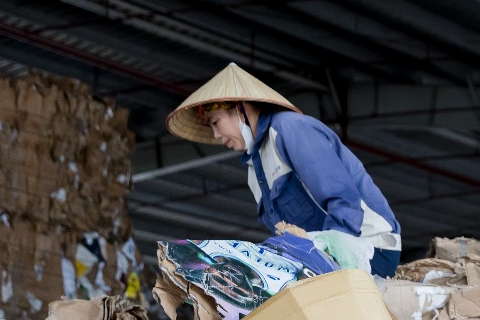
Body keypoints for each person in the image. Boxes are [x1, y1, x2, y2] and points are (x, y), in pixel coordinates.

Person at [166, 63, 403, 278]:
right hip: (324, 255)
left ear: (241, 109)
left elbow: (343, 198)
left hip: (369, 249)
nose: (216, 135)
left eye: (215, 122)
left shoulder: (290, 130)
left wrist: (335, 255)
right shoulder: (254, 165)